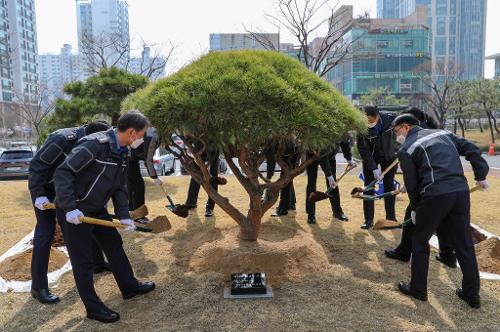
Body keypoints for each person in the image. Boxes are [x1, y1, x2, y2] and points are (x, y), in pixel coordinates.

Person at [54, 111, 155, 323]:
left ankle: (129, 286)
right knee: (83, 260)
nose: (142, 139)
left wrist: (123, 215)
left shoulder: (123, 151)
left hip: (97, 208)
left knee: (114, 246)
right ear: (131, 132)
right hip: (76, 212)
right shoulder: (93, 145)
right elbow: (63, 173)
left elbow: (119, 186)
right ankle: (93, 308)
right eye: (142, 135)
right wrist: (70, 207)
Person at [392, 113, 489, 308]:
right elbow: (472, 149)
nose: (397, 137)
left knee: (419, 241)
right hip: (460, 193)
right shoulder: (444, 133)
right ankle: (472, 295)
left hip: (434, 194)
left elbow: (412, 184)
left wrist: (415, 208)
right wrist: (480, 174)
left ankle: (418, 289)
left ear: (405, 127)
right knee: (463, 244)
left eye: (396, 132)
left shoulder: (406, 148)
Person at [28, 121, 110, 304]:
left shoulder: (91, 144)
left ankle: (97, 263)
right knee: (46, 231)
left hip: (67, 189)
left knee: (86, 222)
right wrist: (40, 195)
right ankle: (38, 286)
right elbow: (37, 167)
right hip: (46, 190)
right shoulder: (62, 138)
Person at [384, 108, 456, 267]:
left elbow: (420, 163)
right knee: (442, 218)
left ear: (410, 124)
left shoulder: (420, 135)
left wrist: (411, 188)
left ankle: (404, 252)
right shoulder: (432, 130)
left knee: (412, 214)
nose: (397, 134)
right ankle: (447, 254)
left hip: (429, 186)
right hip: (443, 184)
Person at [357, 106, 398, 229]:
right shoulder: (361, 125)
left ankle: (391, 219)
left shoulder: (391, 120)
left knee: (389, 187)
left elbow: (402, 134)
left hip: (389, 157)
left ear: (377, 117)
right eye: (366, 121)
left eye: (370, 120)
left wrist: (398, 151)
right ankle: (368, 220)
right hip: (371, 158)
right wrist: (374, 168)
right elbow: (363, 149)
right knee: (368, 187)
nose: (368, 123)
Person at [128, 127, 162, 223]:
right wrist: (154, 177)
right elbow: (148, 159)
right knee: (138, 186)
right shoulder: (153, 135)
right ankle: (138, 216)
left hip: (130, 156)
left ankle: (131, 212)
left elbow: (146, 156)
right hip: (127, 155)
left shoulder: (152, 132)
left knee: (132, 185)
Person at [184, 141, 220, 217]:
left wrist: (205, 167)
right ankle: (191, 204)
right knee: (195, 177)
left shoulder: (212, 139)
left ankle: (210, 208)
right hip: (198, 151)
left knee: (213, 178)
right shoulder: (194, 134)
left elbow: (212, 156)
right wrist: (189, 148)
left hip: (213, 152)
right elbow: (188, 139)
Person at [269, 141, 299, 217]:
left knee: (285, 179)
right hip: (291, 150)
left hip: (290, 151)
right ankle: (291, 204)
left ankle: (283, 208)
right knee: (288, 179)